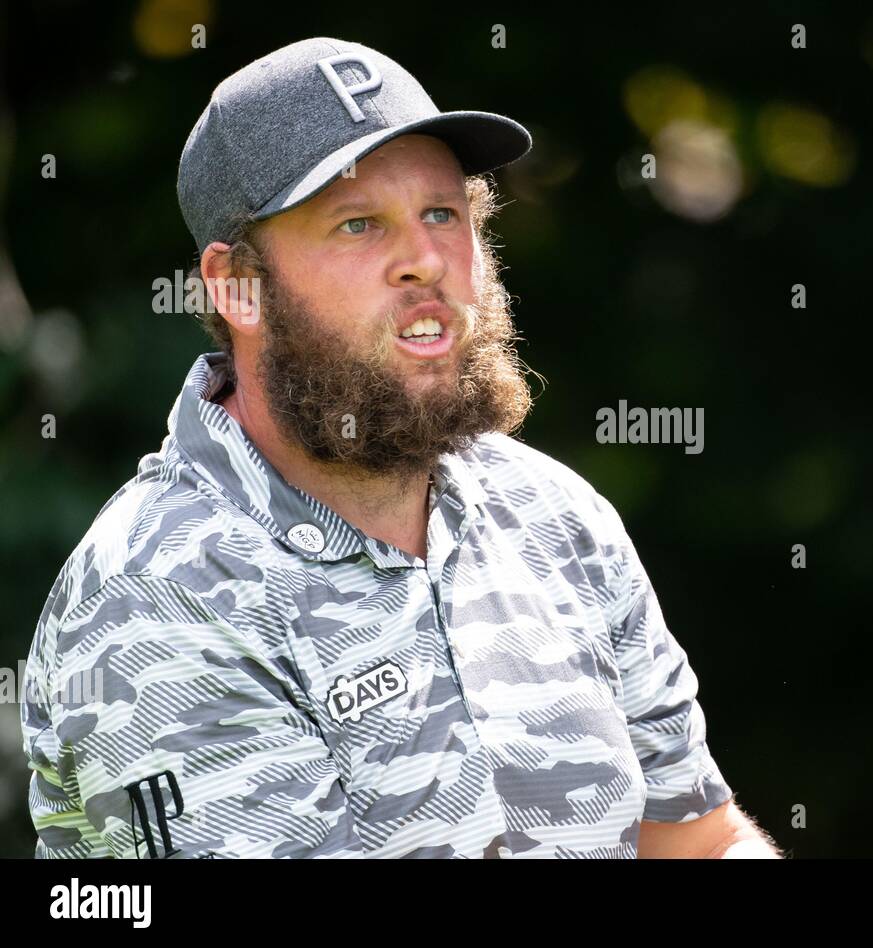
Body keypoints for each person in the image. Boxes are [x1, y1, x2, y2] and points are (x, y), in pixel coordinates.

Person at [19, 37, 780, 859]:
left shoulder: (553, 515)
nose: (424, 260)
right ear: (236, 286)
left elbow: (698, 843)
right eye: (359, 224)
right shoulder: (161, 596)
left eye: (443, 214)